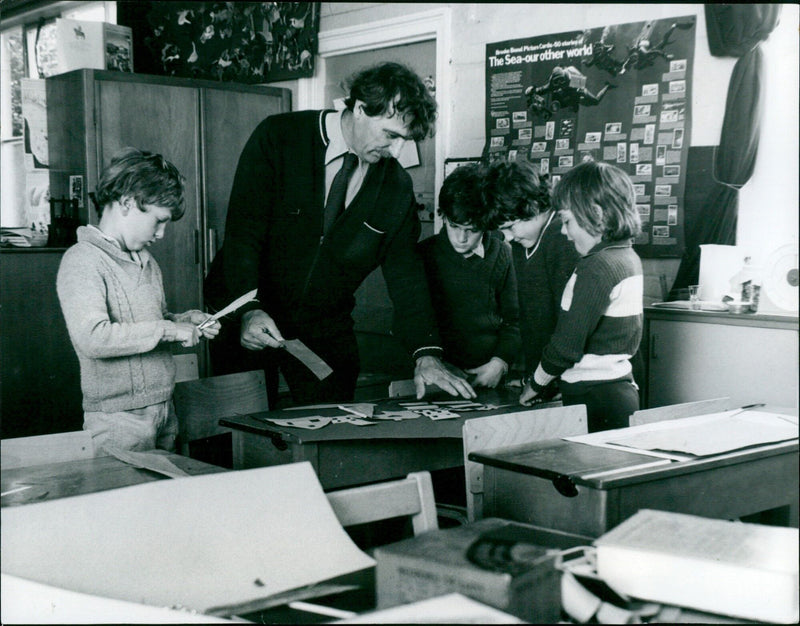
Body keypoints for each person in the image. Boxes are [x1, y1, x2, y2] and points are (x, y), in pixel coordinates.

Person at [204, 62, 475, 405]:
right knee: (238, 425)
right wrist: (247, 309)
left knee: (333, 416)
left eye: (404, 140)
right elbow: (243, 235)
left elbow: (407, 275)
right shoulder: (280, 137)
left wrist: (426, 353)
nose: (395, 151)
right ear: (360, 108)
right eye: (391, 135)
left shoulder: (395, 186)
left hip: (318, 330)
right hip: (244, 311)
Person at [56, 148, 221, 453]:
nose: (161, 234)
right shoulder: (82, 260)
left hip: (164, 409)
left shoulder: (146, 261)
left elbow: (146, 322)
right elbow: (92, 338)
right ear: (128, 202)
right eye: (158, 221)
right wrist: (169, 330)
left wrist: (182, 321)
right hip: (117, 419)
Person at [520, 160, 643, 432]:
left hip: (594, 397)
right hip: (617, 389)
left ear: (596, 215)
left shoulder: (597, 266)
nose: (564, 232)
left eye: (567, 221)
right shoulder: (627, 256)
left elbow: (567, 345)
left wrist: (536, 384)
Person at [482, 159, 580, 401]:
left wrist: (544, 383)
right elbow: (535, 321)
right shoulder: (523, 241)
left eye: (510, 226)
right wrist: (531, 377)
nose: (507, 238)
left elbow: (570, 328)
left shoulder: (561, 237)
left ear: (533, 207)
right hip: (547, 380)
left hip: (572, 381)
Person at [418, 164, 520, 388]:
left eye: (472, 230)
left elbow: (514, 321)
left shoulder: (502, 254)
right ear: (443, 216)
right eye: (454, 226)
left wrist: (500, 363)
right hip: (438, 375)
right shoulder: (424, 255)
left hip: (489, 374)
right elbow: (413, 321)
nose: (461, 238)